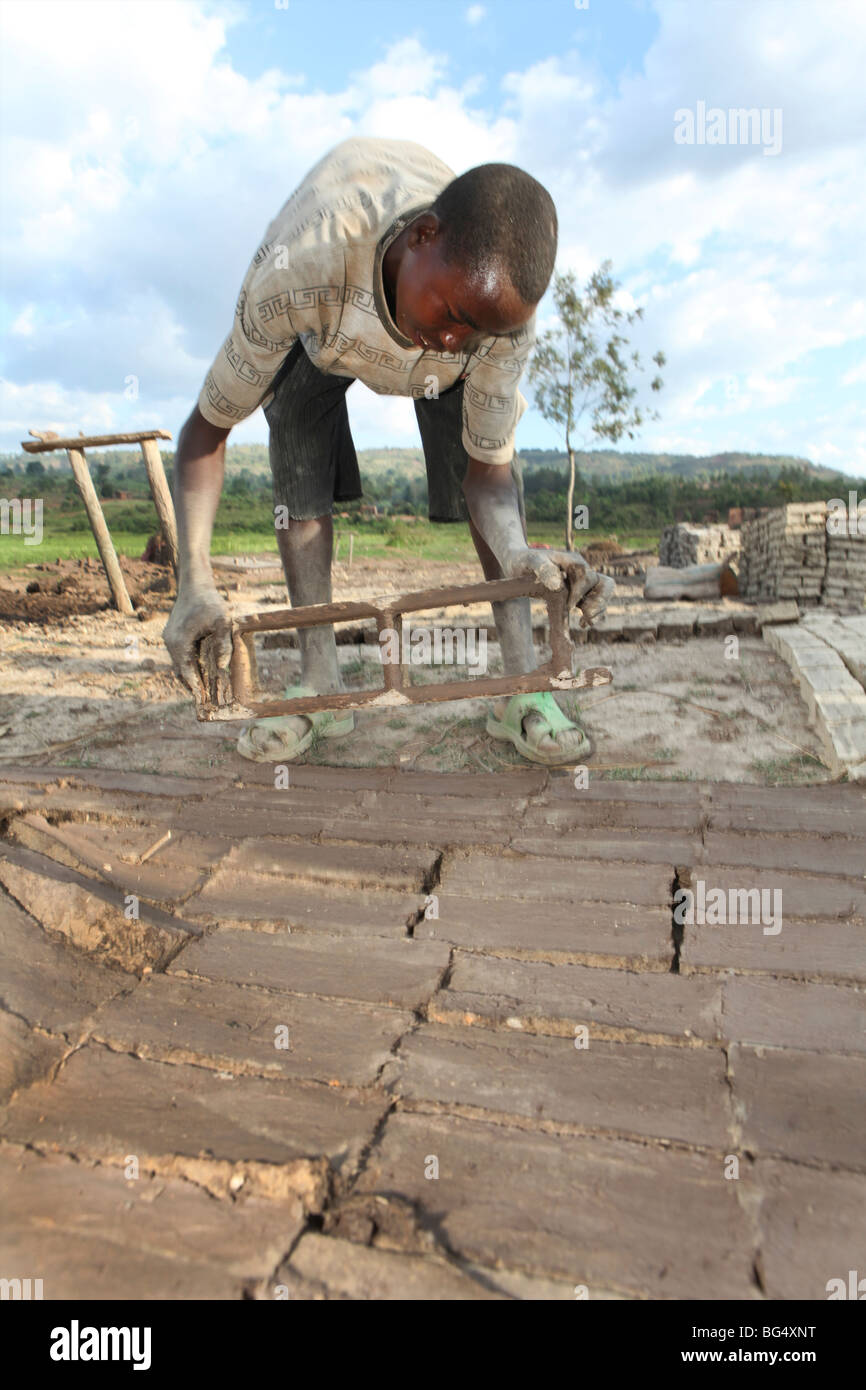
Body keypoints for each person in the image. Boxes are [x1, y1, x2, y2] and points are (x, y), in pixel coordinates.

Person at [163, 136, 612, 765]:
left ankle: (523, 688)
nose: (454, 341)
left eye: (476, 331)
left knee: (486, 473)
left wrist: (520, 554)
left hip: (428, 308)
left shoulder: (496, 316)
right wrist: (195, 582)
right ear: (423, 236)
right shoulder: (298, 270)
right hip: (326, 328)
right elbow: (205, 433)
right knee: (292, 418)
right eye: (452, 314)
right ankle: (320, 687)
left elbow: (488, 473)